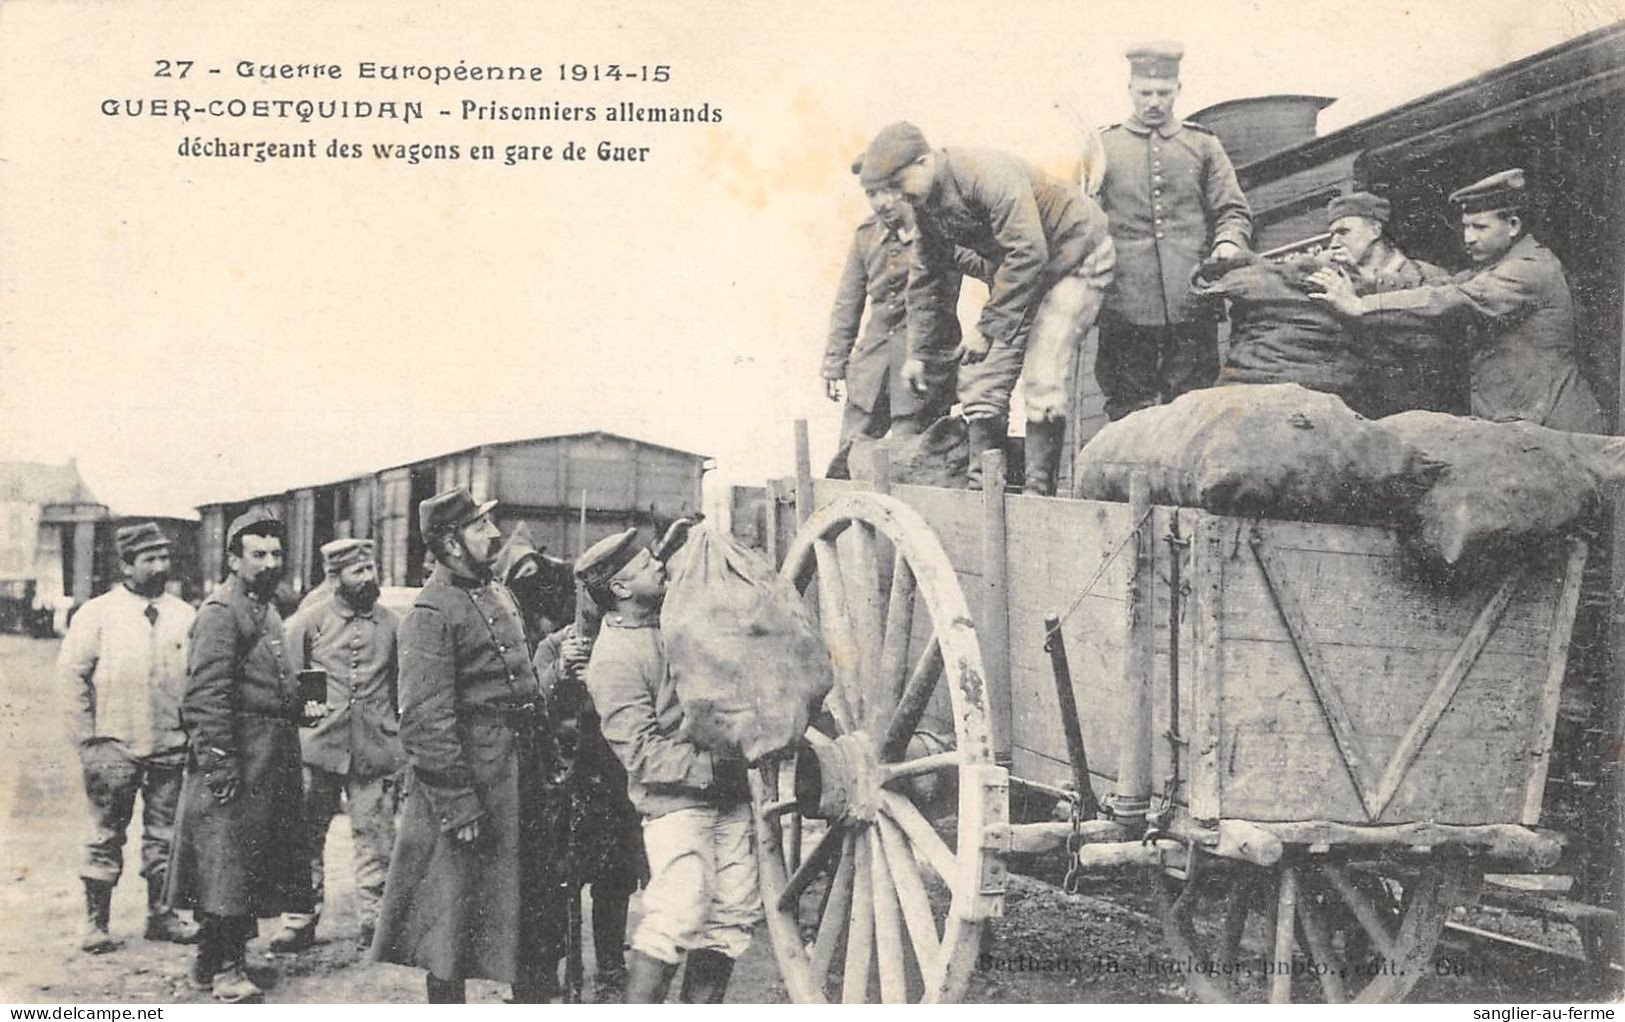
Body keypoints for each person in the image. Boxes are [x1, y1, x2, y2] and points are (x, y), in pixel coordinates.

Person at [371, 487, 561, 1003]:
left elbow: (523, 690)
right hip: (471, 786)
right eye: (480, 527)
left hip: (519, 779)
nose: (494, 534)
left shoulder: (496, 591)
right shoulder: (433, 611)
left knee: (533, 915)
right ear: (451, 544)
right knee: (449, 926)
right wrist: (458, 804)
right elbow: (426, 720)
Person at [860, 121, 1115, 494]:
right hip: (1025, 274)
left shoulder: (985, 173)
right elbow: (927, 280)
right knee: (980, 380)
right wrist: (918, 354)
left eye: (899, 186)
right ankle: (985, 492)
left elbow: (1029, 251)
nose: (897, 199)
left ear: (924, 162)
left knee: (1043, 369)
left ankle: (1037, 493)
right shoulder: (926, 203)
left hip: (1077, 259)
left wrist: (988, 327)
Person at [578, 528, 758, 1003]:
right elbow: (640, 752)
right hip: (678, 806)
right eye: (643, 565)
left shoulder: (671, 620)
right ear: (619, 589)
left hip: (728, 797)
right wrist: (716, 769)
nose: (658, 565)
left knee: (731, 917)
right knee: (674, 917)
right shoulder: (614, 658)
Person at [1311, 168, 1605, 433]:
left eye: (1480, 227)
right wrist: (1362, 279)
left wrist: (1361, 305)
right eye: (1466, 226)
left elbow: (1452, 298)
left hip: (1557, 427)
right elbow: (1438, 284)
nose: (1468, 238)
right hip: (1522, 425)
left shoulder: (1528, 268)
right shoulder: (1492, 266)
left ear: (1513, 225)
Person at [166, 509, 312, 1003]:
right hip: (235, 759)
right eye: (258, 554)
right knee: (225, 865)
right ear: (233, 559)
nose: (270, 562)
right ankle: (226, 969)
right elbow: (204, 696)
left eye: (276, 553)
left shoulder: (265, 608)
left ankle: (212, 960)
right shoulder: (220, 612)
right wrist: (221, 766)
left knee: (248, 863)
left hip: (268, 758)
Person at [59, 522, 201, 953]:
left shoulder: (185, 614)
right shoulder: (97, 614)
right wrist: (88, 743)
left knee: (166, 838)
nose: (159, 567)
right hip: (114, 747)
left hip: (171, 747)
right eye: (148, 559)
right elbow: (71, 678)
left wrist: (191, 735)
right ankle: (95, 922)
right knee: (105, 834)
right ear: (126, 564)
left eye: (164, 558)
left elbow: (199, 680)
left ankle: (163, 916)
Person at [1095, 41, 1253, 420]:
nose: (1154, 102)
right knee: (1127, 409)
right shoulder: (1102, 146)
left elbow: (1233, 210)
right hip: (1123, 303)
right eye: (1145, 92)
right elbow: (1082, 217)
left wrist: (1229, 242)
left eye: (1163, 93)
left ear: (1178, 90)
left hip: (1192, 299)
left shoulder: (1203, 145)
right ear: (1129, 90)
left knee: (1193, 407)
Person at [266, 539, 403, 953]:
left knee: (376, 837)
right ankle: (299, 919)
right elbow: (289, 687)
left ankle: (376, 923)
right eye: (358, 571)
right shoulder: (308, 623)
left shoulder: (393, 625)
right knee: (304, 836)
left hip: (374, 749)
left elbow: (402, 688)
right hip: (318, 748)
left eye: (371, 569)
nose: (369, 578)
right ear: (334, 577)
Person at [532, 607, 646, 1000]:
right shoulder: (553, 646)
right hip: (565, 784)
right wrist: (562, 670)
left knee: (614, 882)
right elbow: (534, 700)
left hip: (612, 786)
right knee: (556, 883)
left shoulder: (627, 644)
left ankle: (611, 968)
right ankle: (550, 967)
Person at [822, 156, 961, 478]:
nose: (880, 202)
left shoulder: (940, 230)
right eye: (871, 194)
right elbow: (848, 300)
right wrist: (834, 362)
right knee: (848, 460)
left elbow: (944, 298)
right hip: (871, 368)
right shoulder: (866, 236)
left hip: (921, 372)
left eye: (887, 191)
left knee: (913, 466)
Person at [1318, 191, 1460, 416]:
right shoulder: (1341, 282)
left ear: (1375, 230)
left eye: (1343, 232)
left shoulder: (1430, 276)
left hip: (1425, 405)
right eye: (1332, 235)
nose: (1334, 243)